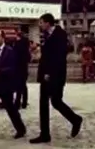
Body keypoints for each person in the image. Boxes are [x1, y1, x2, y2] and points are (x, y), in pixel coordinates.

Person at [30, 13, 83, 144]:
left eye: (41, 22)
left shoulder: (60, 35)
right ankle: (45, 134)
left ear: (48, 23)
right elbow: (47, 54)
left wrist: (49, 73)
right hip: (46, 75)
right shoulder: (47, 35)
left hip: (54, 75)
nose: (40, 25)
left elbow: (58, 57)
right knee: (45, 103)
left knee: (55, 101)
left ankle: (75, 120)